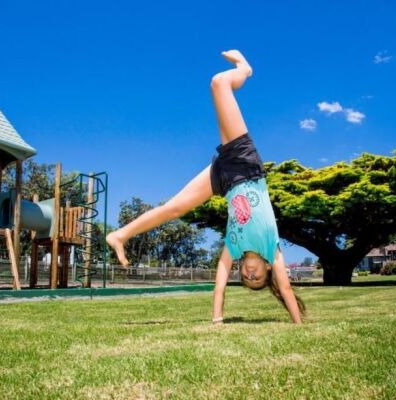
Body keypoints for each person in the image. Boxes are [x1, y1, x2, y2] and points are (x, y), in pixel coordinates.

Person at [106, 50, 305, 324]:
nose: (250, 275)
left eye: (247, 279)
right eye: (257, 277)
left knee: (173, 208)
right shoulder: (272, 249)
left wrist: (217, 320)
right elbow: (284, 288)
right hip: (245, 166)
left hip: (224, 180)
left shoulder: (233, 248)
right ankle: (245, 69)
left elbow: (219, 284)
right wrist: (298, 324)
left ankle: (120, 235)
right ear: (268, 267)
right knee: (219, 83)